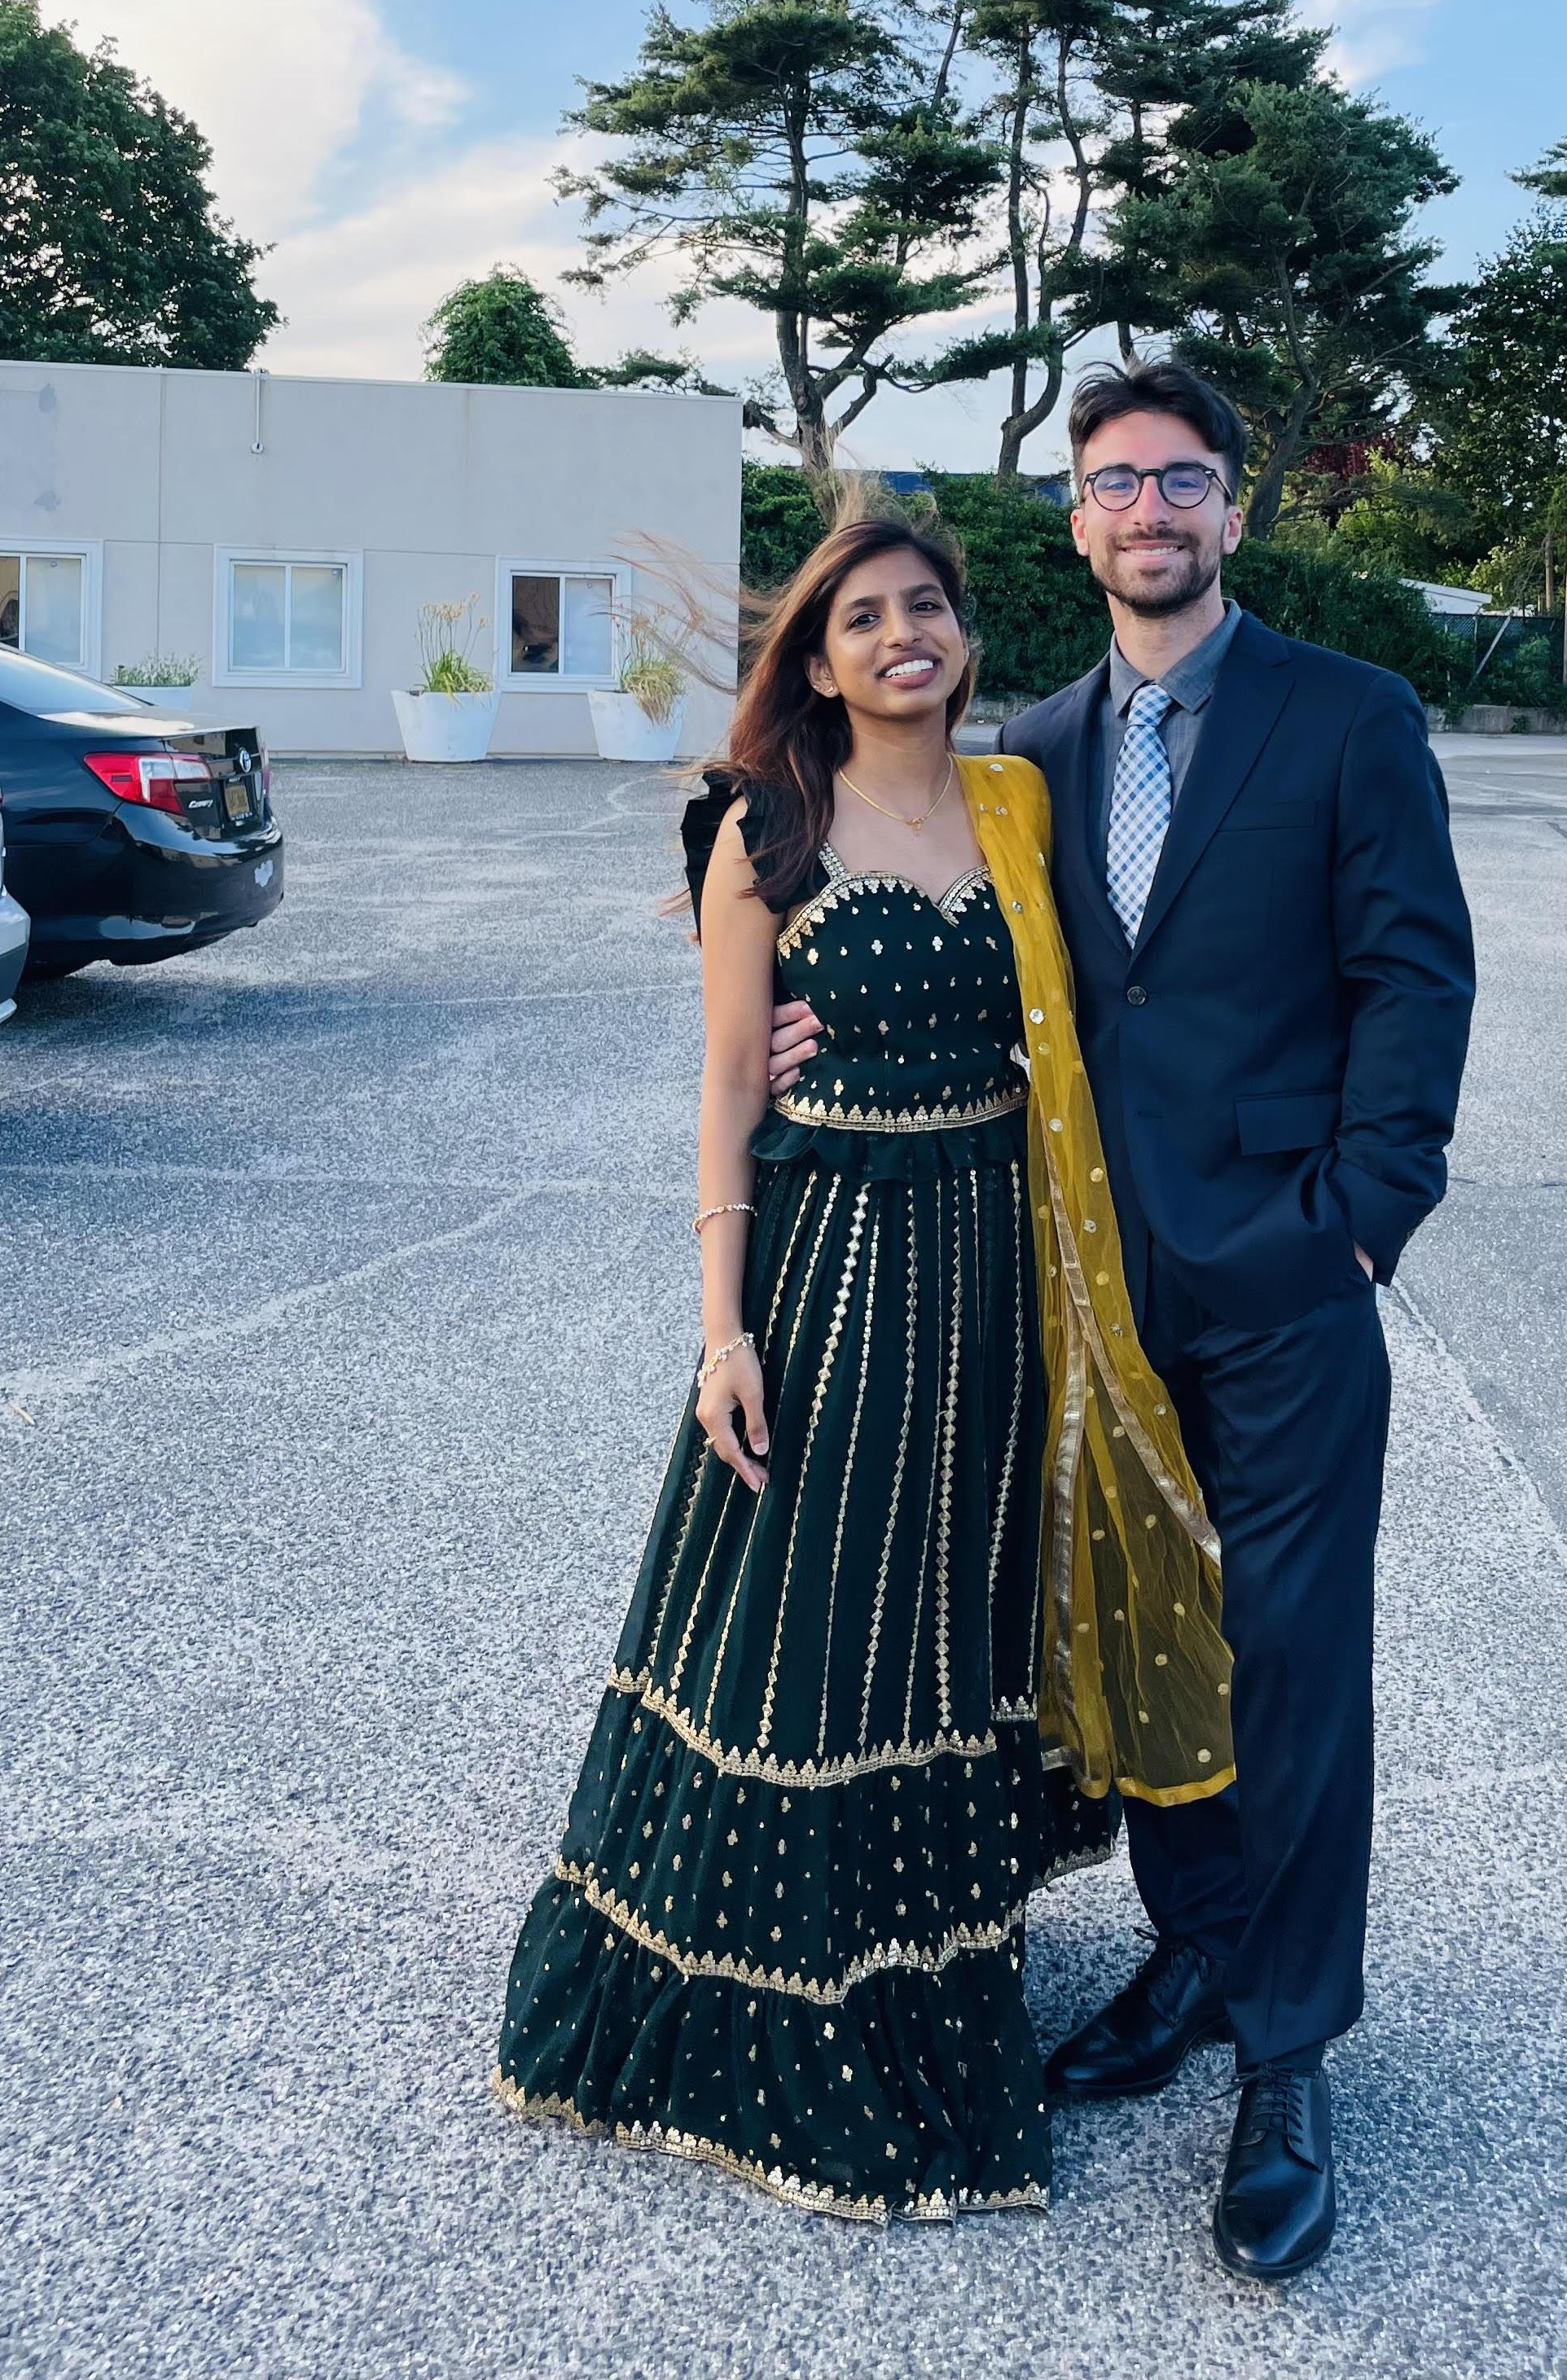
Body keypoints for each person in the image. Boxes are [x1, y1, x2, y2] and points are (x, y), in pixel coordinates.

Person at [770, 365, 1477, 2279]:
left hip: (1286, 1273)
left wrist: (1362, 1225)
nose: (1146, 511)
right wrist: (799, 1016)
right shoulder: (1033, 750)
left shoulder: (1350, 715)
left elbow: (1417, 976)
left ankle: (1290, 2056)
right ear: (1075, 522)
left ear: (1235, 509)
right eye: (1111, 485)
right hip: (1083, 1279)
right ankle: (1197, 1947)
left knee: (1291, 1658)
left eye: (1179, 480)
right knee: (1135, 1626)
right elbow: (911, 908)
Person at [494, 508, 1233, 2223]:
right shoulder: (765, 823)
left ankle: (940, 1948)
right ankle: (792, 1976)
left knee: (953, 1611)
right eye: (864, 620)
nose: (904, 636)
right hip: (838, 1269)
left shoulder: (1018, 803)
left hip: (998, 1269)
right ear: (818, 664)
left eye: (927, 609)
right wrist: (723, 1333)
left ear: (965, 635)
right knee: (820, 1620)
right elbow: (726, 1084)